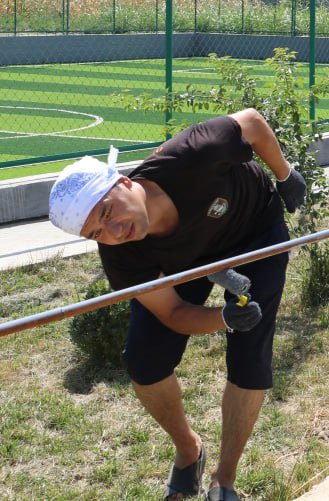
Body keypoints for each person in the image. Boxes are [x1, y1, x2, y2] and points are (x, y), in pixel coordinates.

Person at [47, 109, 306, 500]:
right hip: (184, 263)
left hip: (254, 232)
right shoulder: (122, 254)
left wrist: (285, 175)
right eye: (98, 232)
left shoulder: (192, 156)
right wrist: (223, 317)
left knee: (250, 357)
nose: (116, 232)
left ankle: (225, 480)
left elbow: (251, 123)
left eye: (107, 212)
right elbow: (171, 313)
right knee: (144, 360)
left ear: (123, 183)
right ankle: (189, 451)